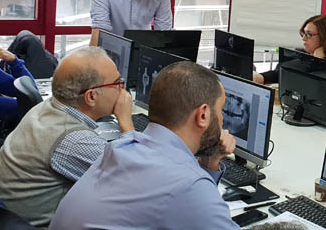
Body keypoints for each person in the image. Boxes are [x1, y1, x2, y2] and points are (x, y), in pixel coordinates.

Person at [49, 61, 240, 230]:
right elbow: (192, 200)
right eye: (221, 110)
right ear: (203, 114)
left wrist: (209, 164)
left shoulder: (122, 147)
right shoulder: (189, 184)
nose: (222, 120)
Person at [0, 47, 134, 227]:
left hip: (7, 218)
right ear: (91, 96)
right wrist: (126, 122)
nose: (123, 89)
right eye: (118, 82)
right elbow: (136, 180)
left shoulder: (46, 107)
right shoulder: (73, 140)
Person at [254, 15, 326, 92]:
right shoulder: (300, 55)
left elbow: (313, 89)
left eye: (309, 34)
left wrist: (317, 60)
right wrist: (261, 77)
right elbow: (279, 73)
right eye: (303, 33)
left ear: (324, 37)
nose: (303, 39)